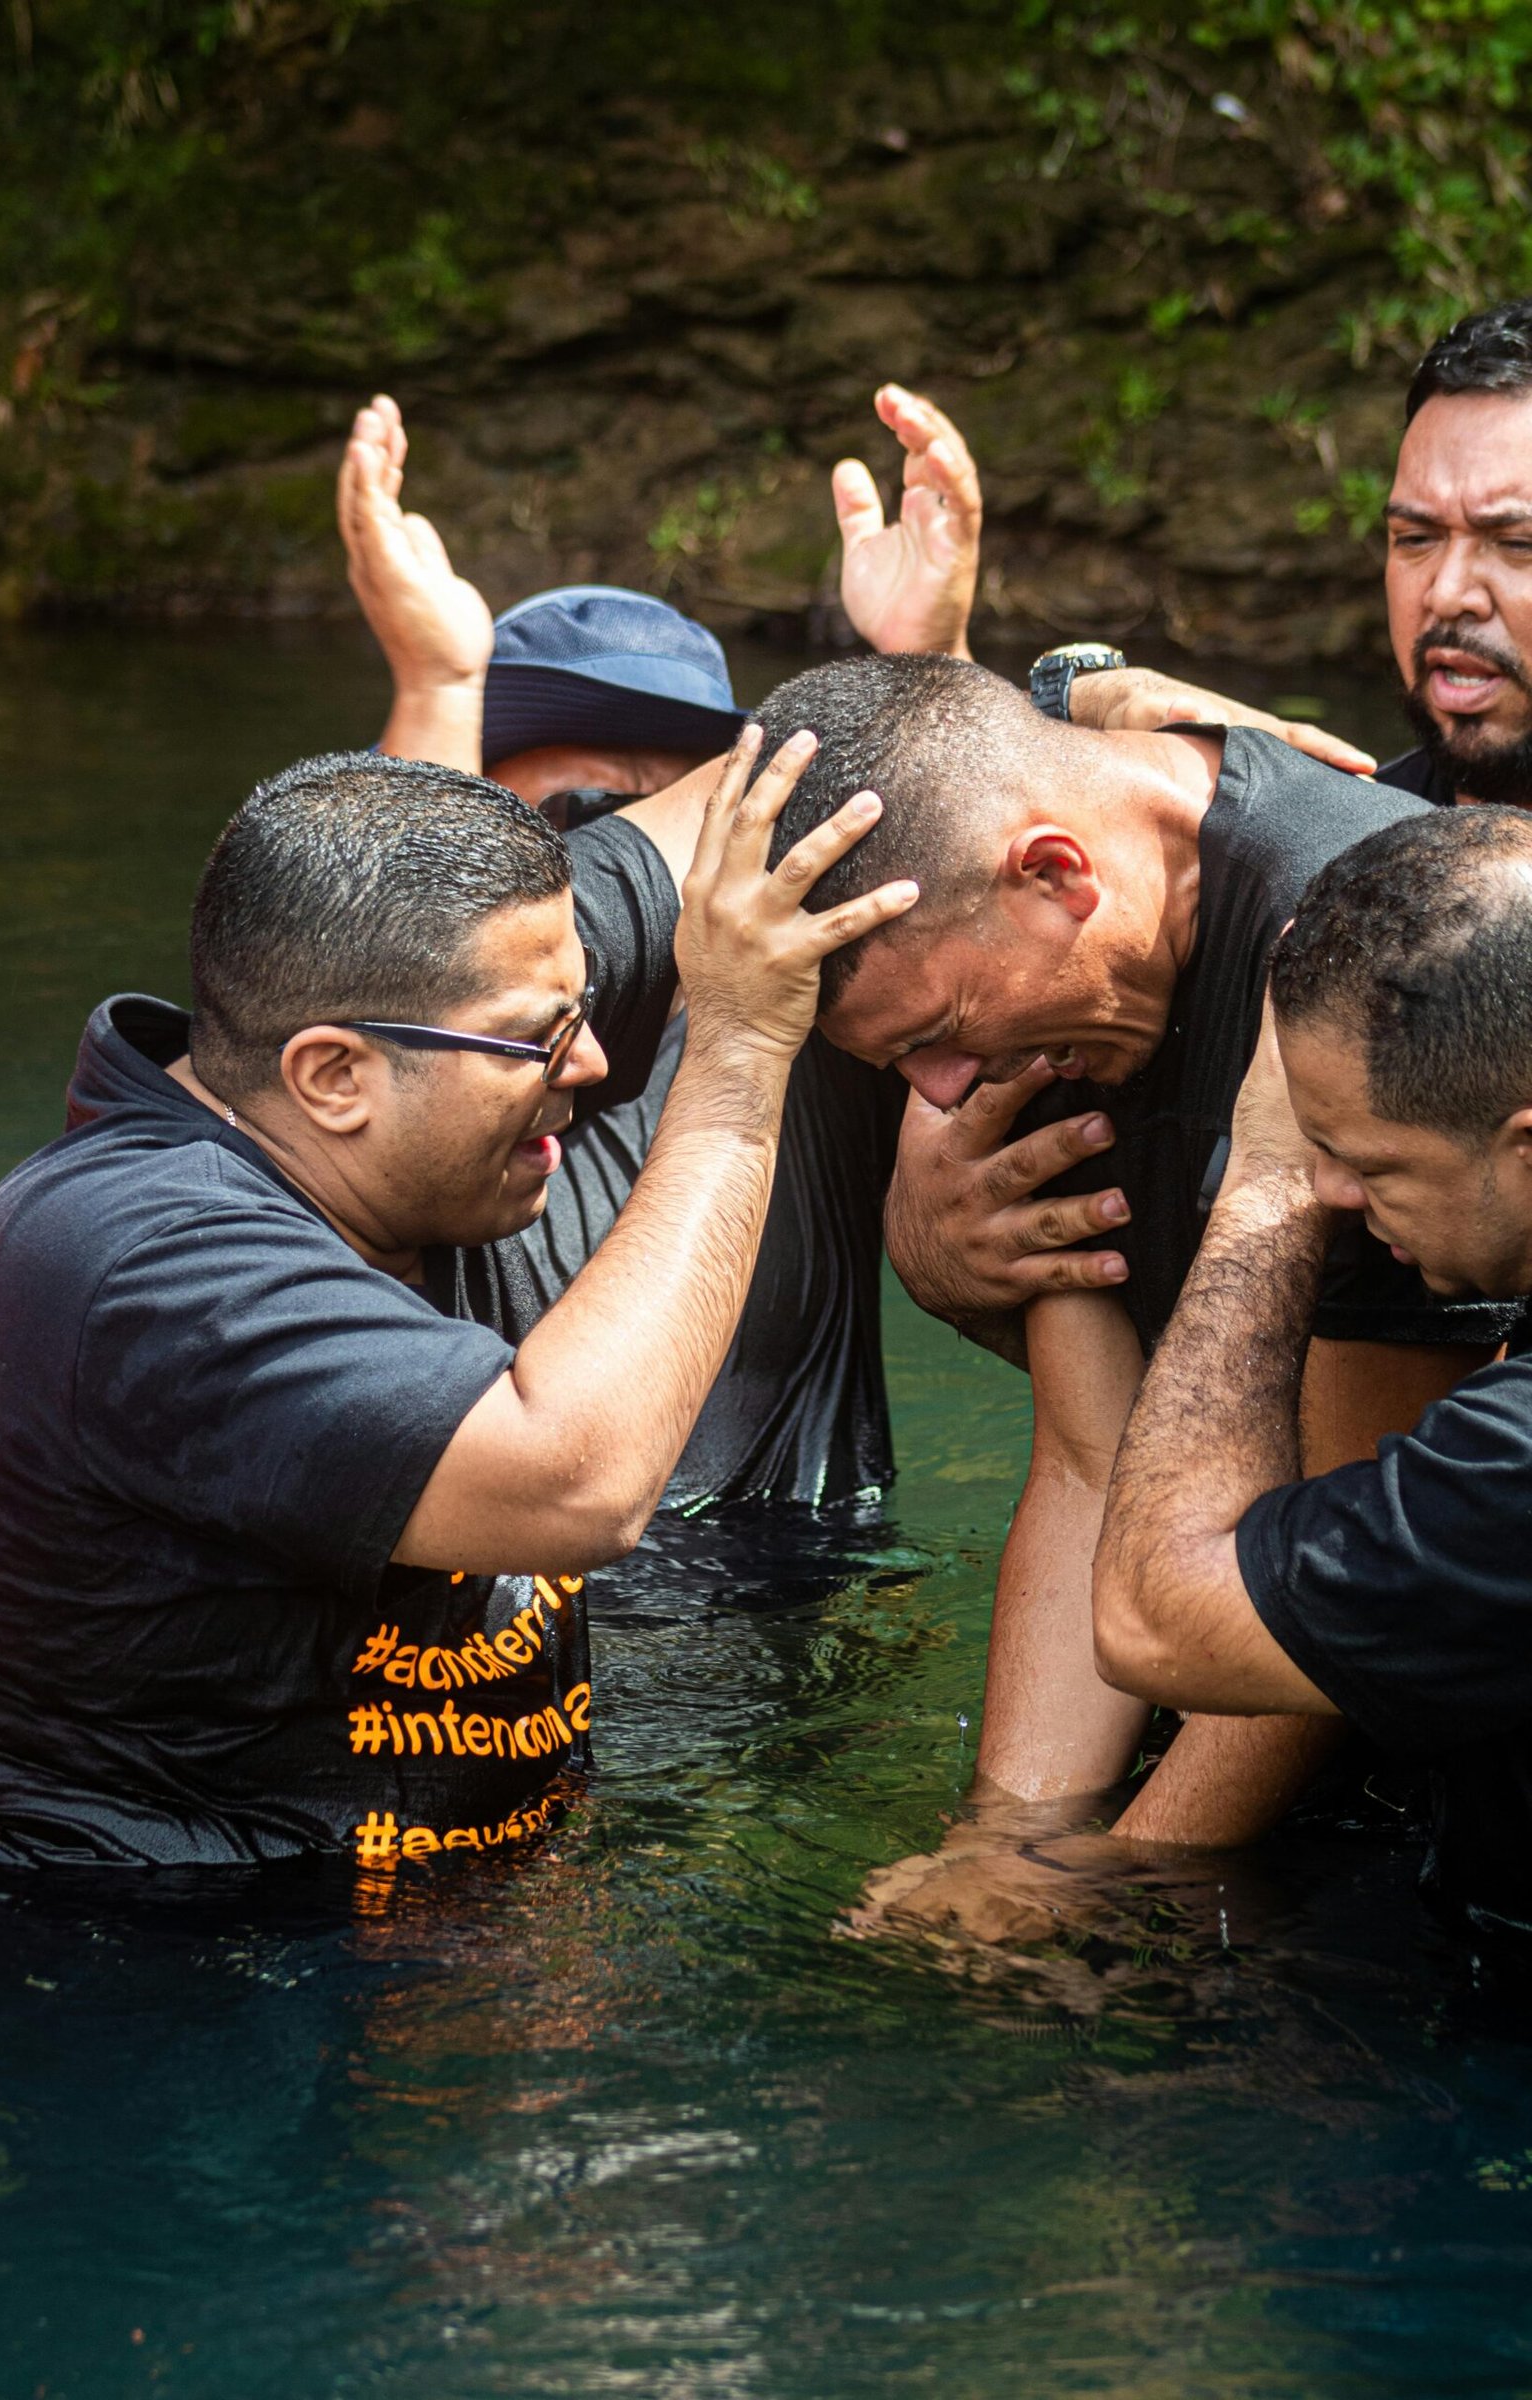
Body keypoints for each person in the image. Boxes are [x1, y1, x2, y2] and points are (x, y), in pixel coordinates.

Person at [0, 739, 916, 1868]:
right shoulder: (140, 1264)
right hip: (177, 1952)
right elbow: (578, 1486)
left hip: (462, 1892)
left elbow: (760, 791)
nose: (591, 1059)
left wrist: (1076, 714)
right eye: (537, 1039)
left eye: (582, 1003)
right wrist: (740, 1055)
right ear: (333, 1077)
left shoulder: (473, 967)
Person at [752, 649, 1520, 1856]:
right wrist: (1007, 1841)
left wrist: (1121, 1875)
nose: (939, 1096)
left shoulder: (1357, 965)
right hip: (1214, 1614)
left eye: (939, 1035)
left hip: (1369, 1671)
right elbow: (1084, 1459)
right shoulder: (1048, 1004)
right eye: (894, 1067)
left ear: (1054, 875)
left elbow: (1337, 1565)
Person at [332, 383, 983, 1516]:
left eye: (663, 798)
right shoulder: (405, 1081)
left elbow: (946, 885)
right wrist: (437, 687)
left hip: (792, 1618)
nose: (622, 839)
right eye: (569, 809)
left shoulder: (813, 1022)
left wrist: (925, 666)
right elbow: (392, 942)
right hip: (524, 1625)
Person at [1094, 805, 1532, 1948]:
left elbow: (1153, 1616)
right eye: (1319, 1150)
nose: (1341, 1190)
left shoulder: (1513, 1468)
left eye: (1367, 1159)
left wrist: (1268, 1179)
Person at [1055, 298, 1532, 814]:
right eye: (1416, 538)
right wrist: (1078, 697)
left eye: (1517, 544)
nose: (1447, 593)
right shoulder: (1342, 844)